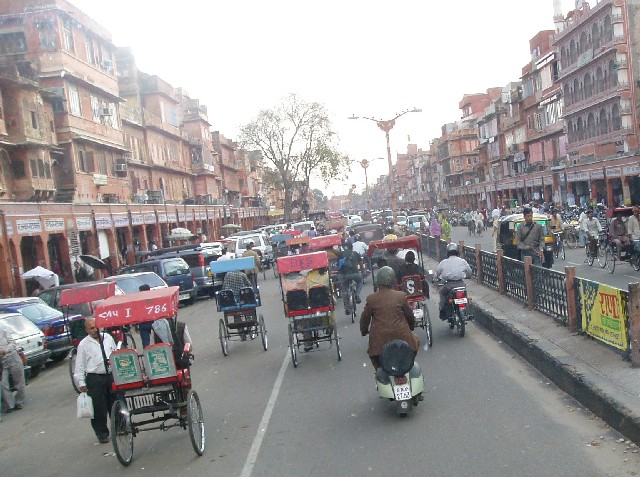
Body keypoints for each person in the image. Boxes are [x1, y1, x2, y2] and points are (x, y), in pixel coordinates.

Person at [359, 266, 419, 369]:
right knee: (416, 341)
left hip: (379, 344)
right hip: (403, 340)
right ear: (392, 280)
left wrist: (364, 331)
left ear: (378, 282)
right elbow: (410, 316)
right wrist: (411, 328)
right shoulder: (401, 296)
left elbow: (364, 319)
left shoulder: (372, 299)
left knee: (375, 361)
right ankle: (408, 367)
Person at [74, 318, 117, 444]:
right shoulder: (83, 344)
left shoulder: (108, 337)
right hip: (95, 378)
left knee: (115, 402)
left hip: (110, 375)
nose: (95, 330)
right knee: (99, 408)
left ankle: (120, 427)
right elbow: (80, 365)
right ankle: (102, 433)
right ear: (87, 330)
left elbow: (115, 353)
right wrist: (81, 383)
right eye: (91, 328)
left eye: (96, 327)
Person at [436, 243, 472, 320]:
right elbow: (469, 272)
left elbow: (438, 272)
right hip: (461, 284)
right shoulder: (462, 261)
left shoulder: (443, 262)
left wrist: (436, 278)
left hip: (449, 285)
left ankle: (443, 311)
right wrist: (467, 276)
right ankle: (465, 310)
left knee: (442, 293)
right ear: (457, 251)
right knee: (465, 295)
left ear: (448, 252)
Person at [1, 326, 26, 414]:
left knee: (19, 381)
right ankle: (10, 404)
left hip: (12, 357)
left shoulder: (3, 330)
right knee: (3, 384)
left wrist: (5, 350)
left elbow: (12, 343)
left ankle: (19, 401)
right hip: (2, 362)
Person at [338, 241, 363, 315]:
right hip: (355, 274)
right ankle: (357, 295)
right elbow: (361, 264)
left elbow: (338, 266)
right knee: (360, 281)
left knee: (344, 290)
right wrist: (363, 272)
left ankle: (347, 308)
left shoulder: (340, 254)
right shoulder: (355, 253)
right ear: (351, 247)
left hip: (344, 275)